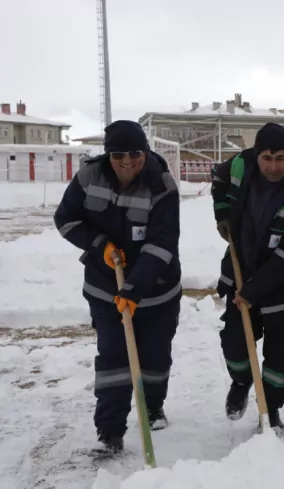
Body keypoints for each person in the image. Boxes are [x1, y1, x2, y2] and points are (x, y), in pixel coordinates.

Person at [54, 120, 181, 454]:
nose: (128, 161)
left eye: (135, 153)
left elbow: (162, 244)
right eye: (119, 154)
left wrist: (135, 288)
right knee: (113, 357)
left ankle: (152, 406)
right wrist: (100, 245)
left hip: (156, 290)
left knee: (154, 357)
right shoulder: (88, 178)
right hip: (104, 287)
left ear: (145, 152)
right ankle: (110, 431)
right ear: (108, 154)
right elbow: (65, 220)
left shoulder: (162, 185)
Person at [210, 122, 284, 436]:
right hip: (241, 272)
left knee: (280, 355)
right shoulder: (241, 165)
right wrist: (222, 214)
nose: (273, 166)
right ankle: (241, 382)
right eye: (266, 157)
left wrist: (254, 290)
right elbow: (218, 177)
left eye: (280, 158)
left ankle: (271, 409)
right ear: (257, 155)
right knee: (235, 343)